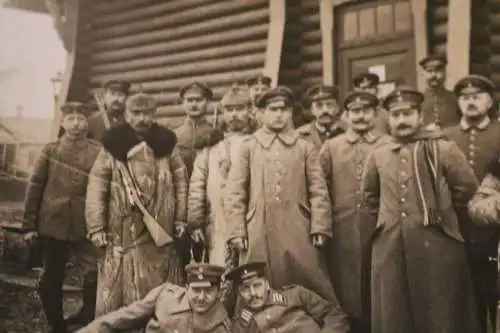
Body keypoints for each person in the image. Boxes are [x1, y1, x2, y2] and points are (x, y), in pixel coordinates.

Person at [361, 87, 481, 333]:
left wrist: (442, 216)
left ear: (419, 115)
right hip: (390, 246)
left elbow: (466, 189)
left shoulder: (442, 148)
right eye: (396, 115)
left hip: (437, 244)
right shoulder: (378, 155)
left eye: (407, 113)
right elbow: (370, 198)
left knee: (440, 310)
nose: (402, 120)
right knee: (395, 312)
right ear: (389, 119)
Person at [224, 86, 337, 302]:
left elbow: (318, 190)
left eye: (284, 110)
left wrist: (320, 225)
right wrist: (237, 230)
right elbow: (235, 191)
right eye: (273, 110)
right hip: (257, 230)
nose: (278, 115)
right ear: (260, 113)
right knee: (257, 284)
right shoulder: (249, 147)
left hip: (298, 227)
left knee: (309, 281)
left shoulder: (304, 147)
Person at [85, 93, 187, 323]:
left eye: (147, 113)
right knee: (117, 295)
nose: (142, 119)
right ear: (126, 115)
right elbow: (96, 188)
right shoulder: (112, 145)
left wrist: (180, 220)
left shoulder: (166, 144)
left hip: (161, 233)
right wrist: (96, 227)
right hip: (122, 234)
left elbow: (181, 183)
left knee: (160, 291)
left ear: (154, 115)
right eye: (136, 113)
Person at [22, 102, 101, 333]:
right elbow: (35, 185)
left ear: (87, 122)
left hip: (86, 223)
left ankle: (87, 318)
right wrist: (29, 225)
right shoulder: (51, 150)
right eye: (71, 118)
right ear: (63, 122)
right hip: (52, 223)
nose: (76, 123)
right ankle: (56, 324)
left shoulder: (97, 151)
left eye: (81, 119)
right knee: (51, 277)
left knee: (94, 273)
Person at [320, 91, 390, 333]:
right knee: (345, 286)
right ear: (346, 115)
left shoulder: (387, 144)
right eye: (355, 112)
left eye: (366, 111)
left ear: (375, 114)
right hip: (342, 229)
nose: (360, 116)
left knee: (377, 284)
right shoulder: (331, 147)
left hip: (379, 225)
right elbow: (321, 188)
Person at [443, 74, 500, 333]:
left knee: (492, 291)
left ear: (490, 101)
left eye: (476, 96)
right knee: (459, 294)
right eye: (465, 98)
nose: (470, 102)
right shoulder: (446, 136)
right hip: (455, 227)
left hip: (493, 231)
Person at [188, 88, 256, 266]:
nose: (234, 115)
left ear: (250, 111)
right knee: (220, 266)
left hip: (252, 217)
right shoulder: (211, 146)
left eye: (240, 109)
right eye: (230, 110)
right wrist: (196, 222)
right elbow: (197, 184)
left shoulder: (257, 142)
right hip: (217, 221)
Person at [76, 263, 231, 333]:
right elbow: (123, 317)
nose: (201, 297)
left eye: (208, 291)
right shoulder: (165, 296)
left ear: (218, 292)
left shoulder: (220, 324)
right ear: (186, 288)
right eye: (196, 290)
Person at [228, 261, 349, 333]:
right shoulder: (242, 322)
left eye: (257, 285)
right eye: (245, 288)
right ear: (239, 292)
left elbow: (335, 314)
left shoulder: (296, 295)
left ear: (267, 284)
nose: (253, 293)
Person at [174, 81, 223, 177]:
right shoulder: (175, 134)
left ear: (207, 102)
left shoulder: (216, 134)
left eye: (199, 100)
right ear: (182, 103)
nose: (194, 105)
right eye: (189, 100)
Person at [297, 84, 345, 149]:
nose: (325, 110)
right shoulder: (300, 135)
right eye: (319, 106)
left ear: (337, 108)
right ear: (312, 110)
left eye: (329, 105)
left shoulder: (347, 131)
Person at [419, 55, 460, 128]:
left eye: (438, 71)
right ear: (423, 74)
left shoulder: (455, 98)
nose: (434, 75)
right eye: (429, 71)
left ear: (445, 73)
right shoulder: (418, 100)